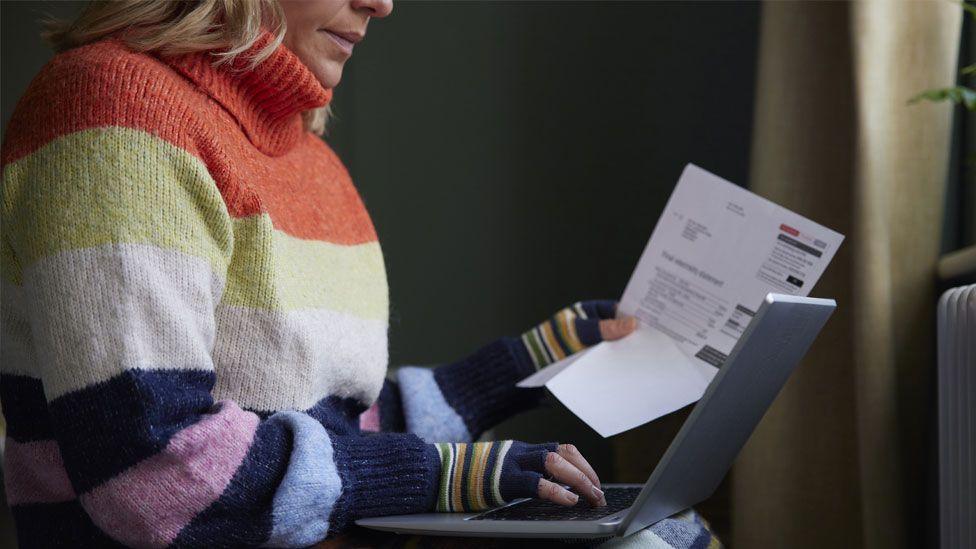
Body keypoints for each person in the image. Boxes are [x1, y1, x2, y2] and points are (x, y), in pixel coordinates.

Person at [0, 1, 716, 547]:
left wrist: (536, 358)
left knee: (668, 531)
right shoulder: (113, 113)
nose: (383, 3)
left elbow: (335, 433)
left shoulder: (313, 164)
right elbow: (157, 473)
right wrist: (447, 476)